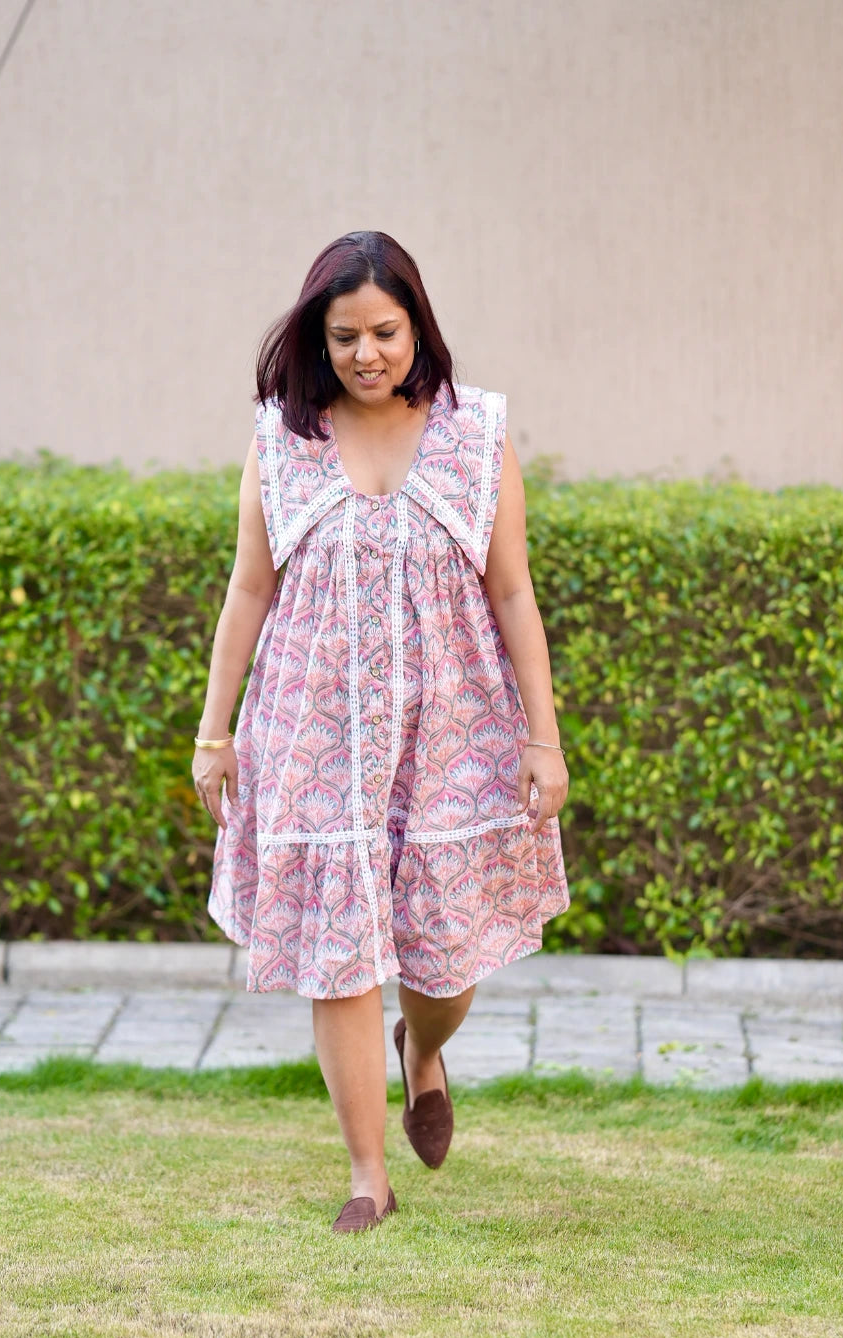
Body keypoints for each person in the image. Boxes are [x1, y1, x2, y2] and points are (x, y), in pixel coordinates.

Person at [193, 230, 570, 1232]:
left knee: (443, 960)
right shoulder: (280, 437)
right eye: (345, 335)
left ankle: (424, 1043)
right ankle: (370, 1176)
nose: (367, 353)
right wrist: (212, 730)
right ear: (319, 339)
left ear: (418, 326)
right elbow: (247, 587)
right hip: (310, 729)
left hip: (450, 728)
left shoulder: (475, 432)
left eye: (385, 332)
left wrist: (544, 738)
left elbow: (511, 587)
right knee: (339, 951)